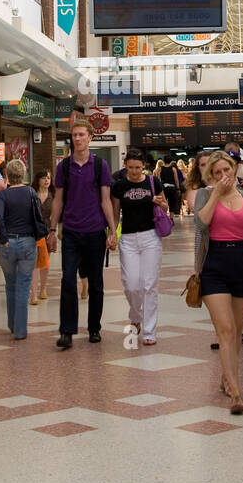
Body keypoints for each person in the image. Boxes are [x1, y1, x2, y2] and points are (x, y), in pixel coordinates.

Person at [194, 151, 243, 414]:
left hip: (242, 263)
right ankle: (235, 391)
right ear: (210, 176)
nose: (223, 176)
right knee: (224, 329)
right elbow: (201, 223)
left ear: (235, 170)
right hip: (214, 264)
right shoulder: (205, 195)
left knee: (235, 331)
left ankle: (226, 378)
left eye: (227, 170)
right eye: (217, 172)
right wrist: (215, 193)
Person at [46, 121, 116, 348]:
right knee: (68, 280)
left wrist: (113, 230)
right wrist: (52, 229)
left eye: (81, 135)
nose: (77, 139)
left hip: (95, 231)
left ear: (90, 138)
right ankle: (67, 331)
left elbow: (106, 200)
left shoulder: (100, 166)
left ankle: (94, 327)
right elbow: (58, 199)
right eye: (74, 135)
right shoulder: (63, 167)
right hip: (72, 232)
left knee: (95, 282)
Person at [111, 149, 168, 346]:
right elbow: (115, 211)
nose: (134, 171)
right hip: (127, 237)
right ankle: (135, 317)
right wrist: (111, 233)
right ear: (125, 165)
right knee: (131, 284)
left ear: (144, 165)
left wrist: (160, 203)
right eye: (130, 167)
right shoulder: (119, 185)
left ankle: (149, 330)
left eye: (138, 167)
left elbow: (165, 207)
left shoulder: (153, 182)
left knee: (149, 284)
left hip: (151, 236)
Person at [0, 159, 44, 340]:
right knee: (24, 286)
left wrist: (4, 239)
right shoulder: (31, 192)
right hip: (28, 243)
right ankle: (21, 331)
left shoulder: (3, 196)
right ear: (23, 173)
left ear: (7, 174)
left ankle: (12, 324)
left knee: (11, 285)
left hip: (8, 245)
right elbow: (37, 215)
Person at [30, 171, 54, 303]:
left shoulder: (53, 195)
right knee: (34, 262)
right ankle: (33, 292)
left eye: (49, 178)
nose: (46, 180)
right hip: (34, 232)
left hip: (48, 231)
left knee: (45, 262)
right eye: (44, 178)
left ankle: (43, 289)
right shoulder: (32, 194)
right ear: (38, 179)